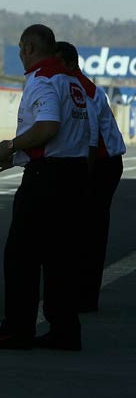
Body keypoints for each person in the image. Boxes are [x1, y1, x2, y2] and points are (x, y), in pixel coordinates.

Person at [0, 24, 91, 351]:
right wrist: (17, 159)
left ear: (29, 48)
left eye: (21, 49)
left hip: (47, 180)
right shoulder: (72, 82)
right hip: (73, 175)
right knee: (61, 259)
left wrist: (11, 146)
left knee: (21, 256)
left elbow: (48, 128)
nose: (20, 55)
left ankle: (17, 329)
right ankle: (65, 330)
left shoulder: (42, 81)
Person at [56, 41, 126, 313]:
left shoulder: (84, 90)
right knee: (82, 230)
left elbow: (91, 138)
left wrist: (81, 178)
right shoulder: (70, 86)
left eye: (59, 63)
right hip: (95, 161)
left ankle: (85, 296)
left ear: (72, 64)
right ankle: (80, 291)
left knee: (91, 231)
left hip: (102, 164)